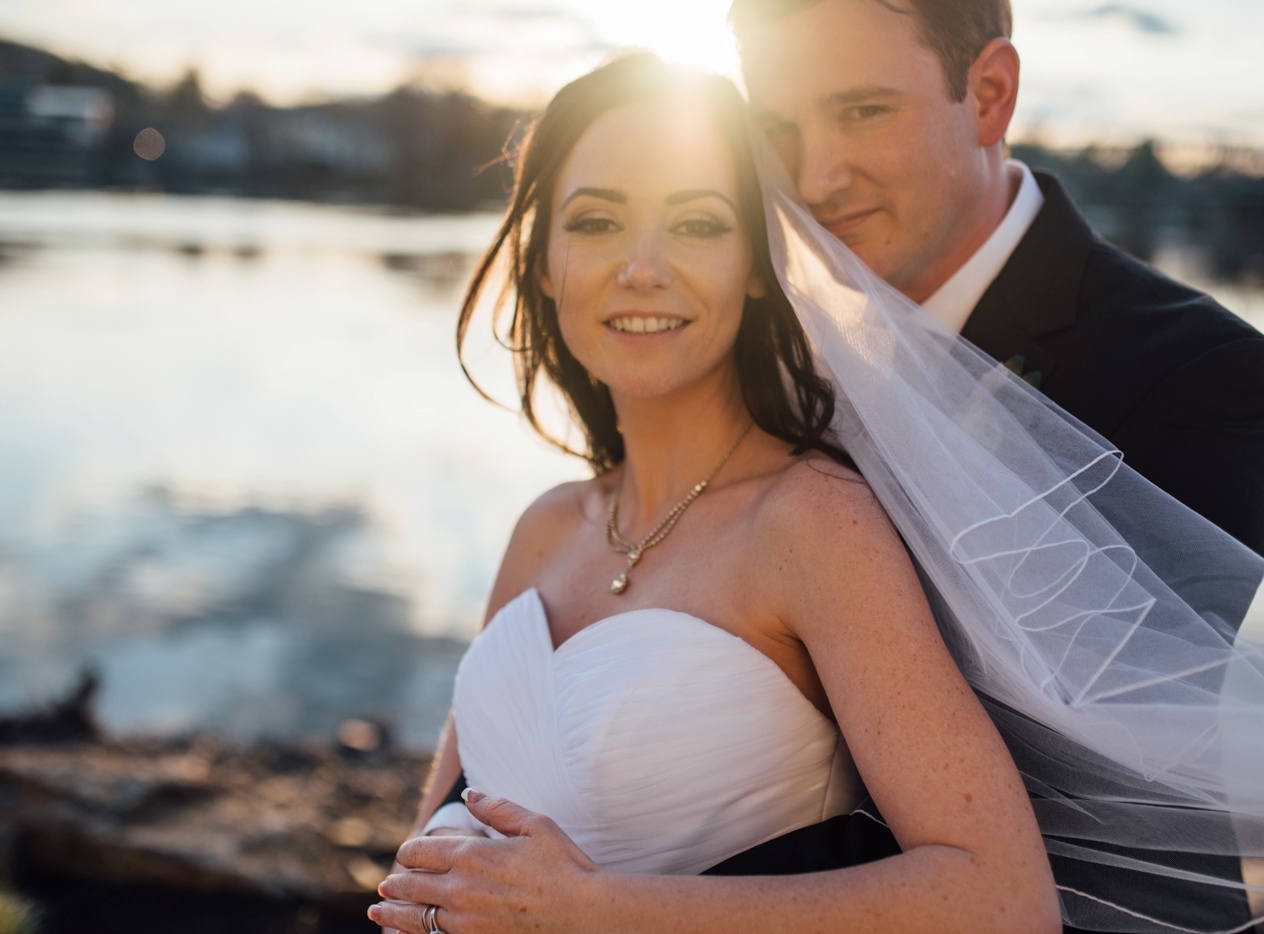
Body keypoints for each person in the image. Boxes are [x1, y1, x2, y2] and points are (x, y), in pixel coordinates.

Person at [371, 53, 1061, 934]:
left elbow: (1003, 899)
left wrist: (595, 911)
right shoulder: (543, 530)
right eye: (597, 222)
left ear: (756, 265)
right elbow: (431, 855)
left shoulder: (810, 521)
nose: (642, 268)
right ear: (545, 263)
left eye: (696, 224)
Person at [726, 1, 1264, 930]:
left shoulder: (1200, 375)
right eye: (777, 126)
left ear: (988, 94)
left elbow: (1109, 796)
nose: (813, 176)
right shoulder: (782, 359)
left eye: (862, 112)